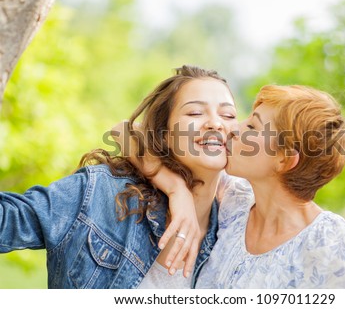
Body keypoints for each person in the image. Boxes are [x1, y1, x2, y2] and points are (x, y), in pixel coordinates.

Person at [0, 65, 236, 288]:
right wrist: (176, 187)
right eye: (195, 112)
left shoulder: (238, 221)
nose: (215, 123)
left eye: (228, 115)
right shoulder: (100, 194)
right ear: (163, 135)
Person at [127, 84, 345, 288]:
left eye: (253, 126)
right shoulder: (236, 201)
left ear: (284, 159)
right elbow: (125, 133)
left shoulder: (332, 242)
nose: (233, 128)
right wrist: (176, 189)